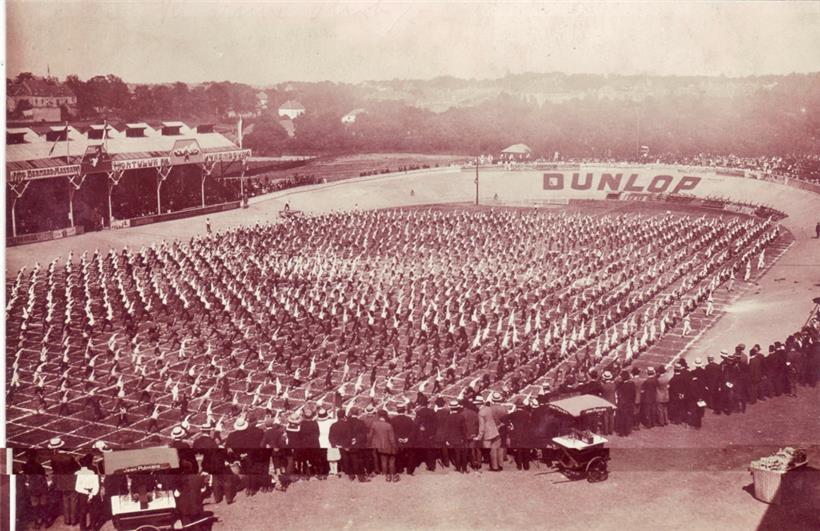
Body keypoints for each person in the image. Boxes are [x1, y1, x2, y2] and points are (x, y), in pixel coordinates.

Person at [50, 437, 80, 526]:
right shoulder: (69, 457)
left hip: (61, 482)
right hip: (71, 481)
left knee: (65, 501)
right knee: (73, 501)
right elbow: (77, 468)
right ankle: (73, 520)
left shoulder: (53, 458)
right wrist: (76, 461)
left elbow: (54, 469)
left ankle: (67, 520)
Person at [21, 450, 49, 530]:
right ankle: (45, 521)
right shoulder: (39, 466)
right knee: (43, 505)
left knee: (35, 507)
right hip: (41, 487)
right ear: (34, 456)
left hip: (33, 488)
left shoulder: (24, 466)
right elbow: (43, 475)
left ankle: (37, 523)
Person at [370, 409, 399, 482]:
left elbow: (371, 435)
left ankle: (387, 477)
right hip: (389, 445)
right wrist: (395, 447)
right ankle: (392, 476)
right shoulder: (388, 425)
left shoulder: (374, 424)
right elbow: (392, 439)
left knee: (383, 461)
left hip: (380, 446)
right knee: (392, 461)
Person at [477, 392, 503, 471]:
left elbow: (486, 423)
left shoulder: (489, 409)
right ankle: (500, 464)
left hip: (491, 430)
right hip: (500, 429)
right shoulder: (503, 408)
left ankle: (494, 466)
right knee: (500, 448)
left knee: (493, 450)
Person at [74, 454, 100, 531]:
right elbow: (96, 484)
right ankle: (93, 527)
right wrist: (91, 494)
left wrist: (86, 493)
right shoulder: (93, 471)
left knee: (83, 512)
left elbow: (77, 487)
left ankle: (83, 528)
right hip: (92, 492)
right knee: (93, 512)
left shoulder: (80, 472)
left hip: (83, 494)